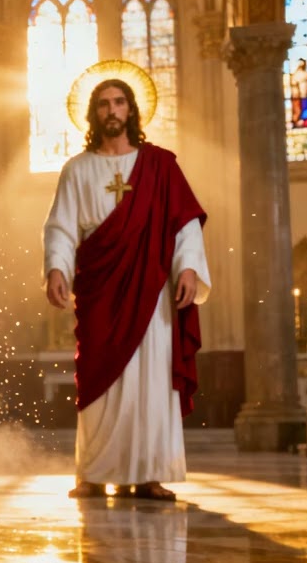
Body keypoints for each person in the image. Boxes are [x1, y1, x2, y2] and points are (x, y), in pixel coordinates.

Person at [42, 78, 210, 502]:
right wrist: (56, 267)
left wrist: (189, 267)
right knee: (97, 376)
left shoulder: (160, 166)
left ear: (131, 110)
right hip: (100, 287)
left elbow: (185, 223)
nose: (111, 110)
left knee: (152, 380)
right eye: (103, 104)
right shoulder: (77, 169)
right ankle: (94, 473)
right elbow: (61, 226)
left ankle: (150, 474)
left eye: (119, 102)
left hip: (151, 289)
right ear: (93, 114)